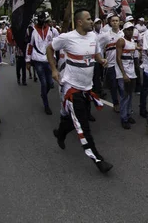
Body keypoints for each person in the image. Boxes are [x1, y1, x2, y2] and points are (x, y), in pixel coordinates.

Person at [47, 9, 113, 174]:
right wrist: (54, 70)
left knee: (73, 120)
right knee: (83, 126)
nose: (92, 22)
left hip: (87, 88)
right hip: (72, 88)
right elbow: (49, 48)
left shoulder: (93, 37)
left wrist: (101, 60)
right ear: (79, 22)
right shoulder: (67, 38)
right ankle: (98, 160)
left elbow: (96, 52)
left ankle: (60, 133)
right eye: (89, 19)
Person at [27, 12, 59, 115]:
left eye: (43, 19)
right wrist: (28, 60)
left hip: (48, 60)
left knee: (50, 83)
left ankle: (43, 94)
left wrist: (54, 58)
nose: (41, 21)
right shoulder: (34, 31)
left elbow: (52, 46)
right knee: (44, 83)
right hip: (38, 60)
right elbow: (30, 46)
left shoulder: (51, 31)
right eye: (39, 19)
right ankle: (46, 105)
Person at [98, 14, 123, 112]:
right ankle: (116, 103)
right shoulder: (105, 36)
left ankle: (124, 104)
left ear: (120, 22)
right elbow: (98, 47)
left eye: (117, 21)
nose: (115, 22)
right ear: (110, 22)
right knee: (113, 86)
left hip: (122, 64)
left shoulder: (123, 34)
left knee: (122, 86)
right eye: (113, 21)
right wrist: (101, 59)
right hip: (111, 64)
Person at [115, 22, 137, 129]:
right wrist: (123, 74)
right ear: (123, 31)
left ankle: (128, 115)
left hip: (131, 72)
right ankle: (124, 118)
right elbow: (118, 58)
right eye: (128, 29)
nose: (130, 31)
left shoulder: (132, 41)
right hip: (123, 73)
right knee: (124, 96)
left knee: (130, 95)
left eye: (131, 29)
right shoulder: (121, 41)